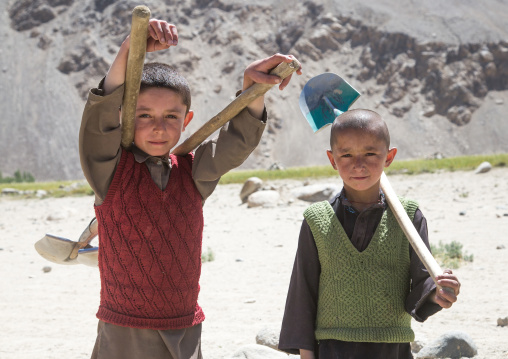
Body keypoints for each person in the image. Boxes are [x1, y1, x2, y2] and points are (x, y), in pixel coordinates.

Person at [79, 18, 301, 359]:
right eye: (143, 115)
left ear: (186, 120)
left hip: (183, 327)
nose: (158, 127)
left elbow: (235, 144)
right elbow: (99, 121)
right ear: (124, 117)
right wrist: (129, 48)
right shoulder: (109, 171)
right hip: (124, 331)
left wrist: (251, 89)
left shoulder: (193, 174)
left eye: (171, 117)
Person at [278, 109, 461, 359]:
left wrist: (438, 293)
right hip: (334, 349)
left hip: (392, 349)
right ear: (332, 160)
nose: (359, 164)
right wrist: (307, 355)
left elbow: (422, 283)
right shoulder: (317, 220)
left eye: (370, 153)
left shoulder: (408, 216)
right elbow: (302, 295)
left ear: (389, 157)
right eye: (347, 155)